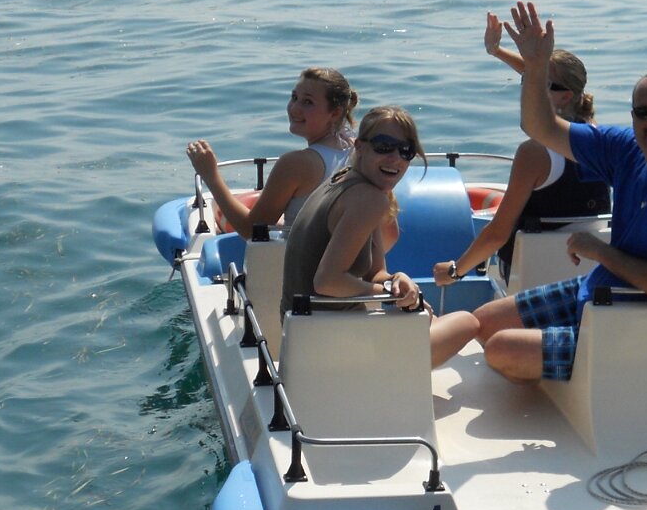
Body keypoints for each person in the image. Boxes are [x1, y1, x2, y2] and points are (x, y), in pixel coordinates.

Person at [474, 2, 647, 384]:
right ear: (633, 117)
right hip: (599, 292)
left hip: (639, 323)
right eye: (643, 113)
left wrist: (599, 250)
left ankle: (590, 384)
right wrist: (536, 67)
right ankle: (566, 371)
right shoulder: (627, 149)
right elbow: (540, 127)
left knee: (501, 349)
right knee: (483, 323)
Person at [281, 106, 479, 366]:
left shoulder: (345, 181)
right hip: (336, 349)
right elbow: (327, 282)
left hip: (305, 338)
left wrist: (396, 281)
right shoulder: (369, 199)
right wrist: (393, 295)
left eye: (406, 150)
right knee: (468, 321)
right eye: (384, 146)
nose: (395, 158)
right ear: (360, 146)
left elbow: (376, 273)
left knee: (432, 317)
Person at [432, 15, 610, 288]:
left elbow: (497, 234)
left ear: (565, 96)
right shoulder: (600, 138)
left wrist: (455, 271)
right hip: (589, 276)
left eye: (537, 83)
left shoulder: (535, 153)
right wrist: (497, 51)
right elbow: (541, 78)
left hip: (532, 278)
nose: (528, 87)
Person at [185, 68, 357, 239]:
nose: (294, 109)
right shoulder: (357, 148)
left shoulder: (297, 163)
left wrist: (211, 176)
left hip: (301, 256)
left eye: (308, 102)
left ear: (335, 113)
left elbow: (251, 231)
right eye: (294, 98)